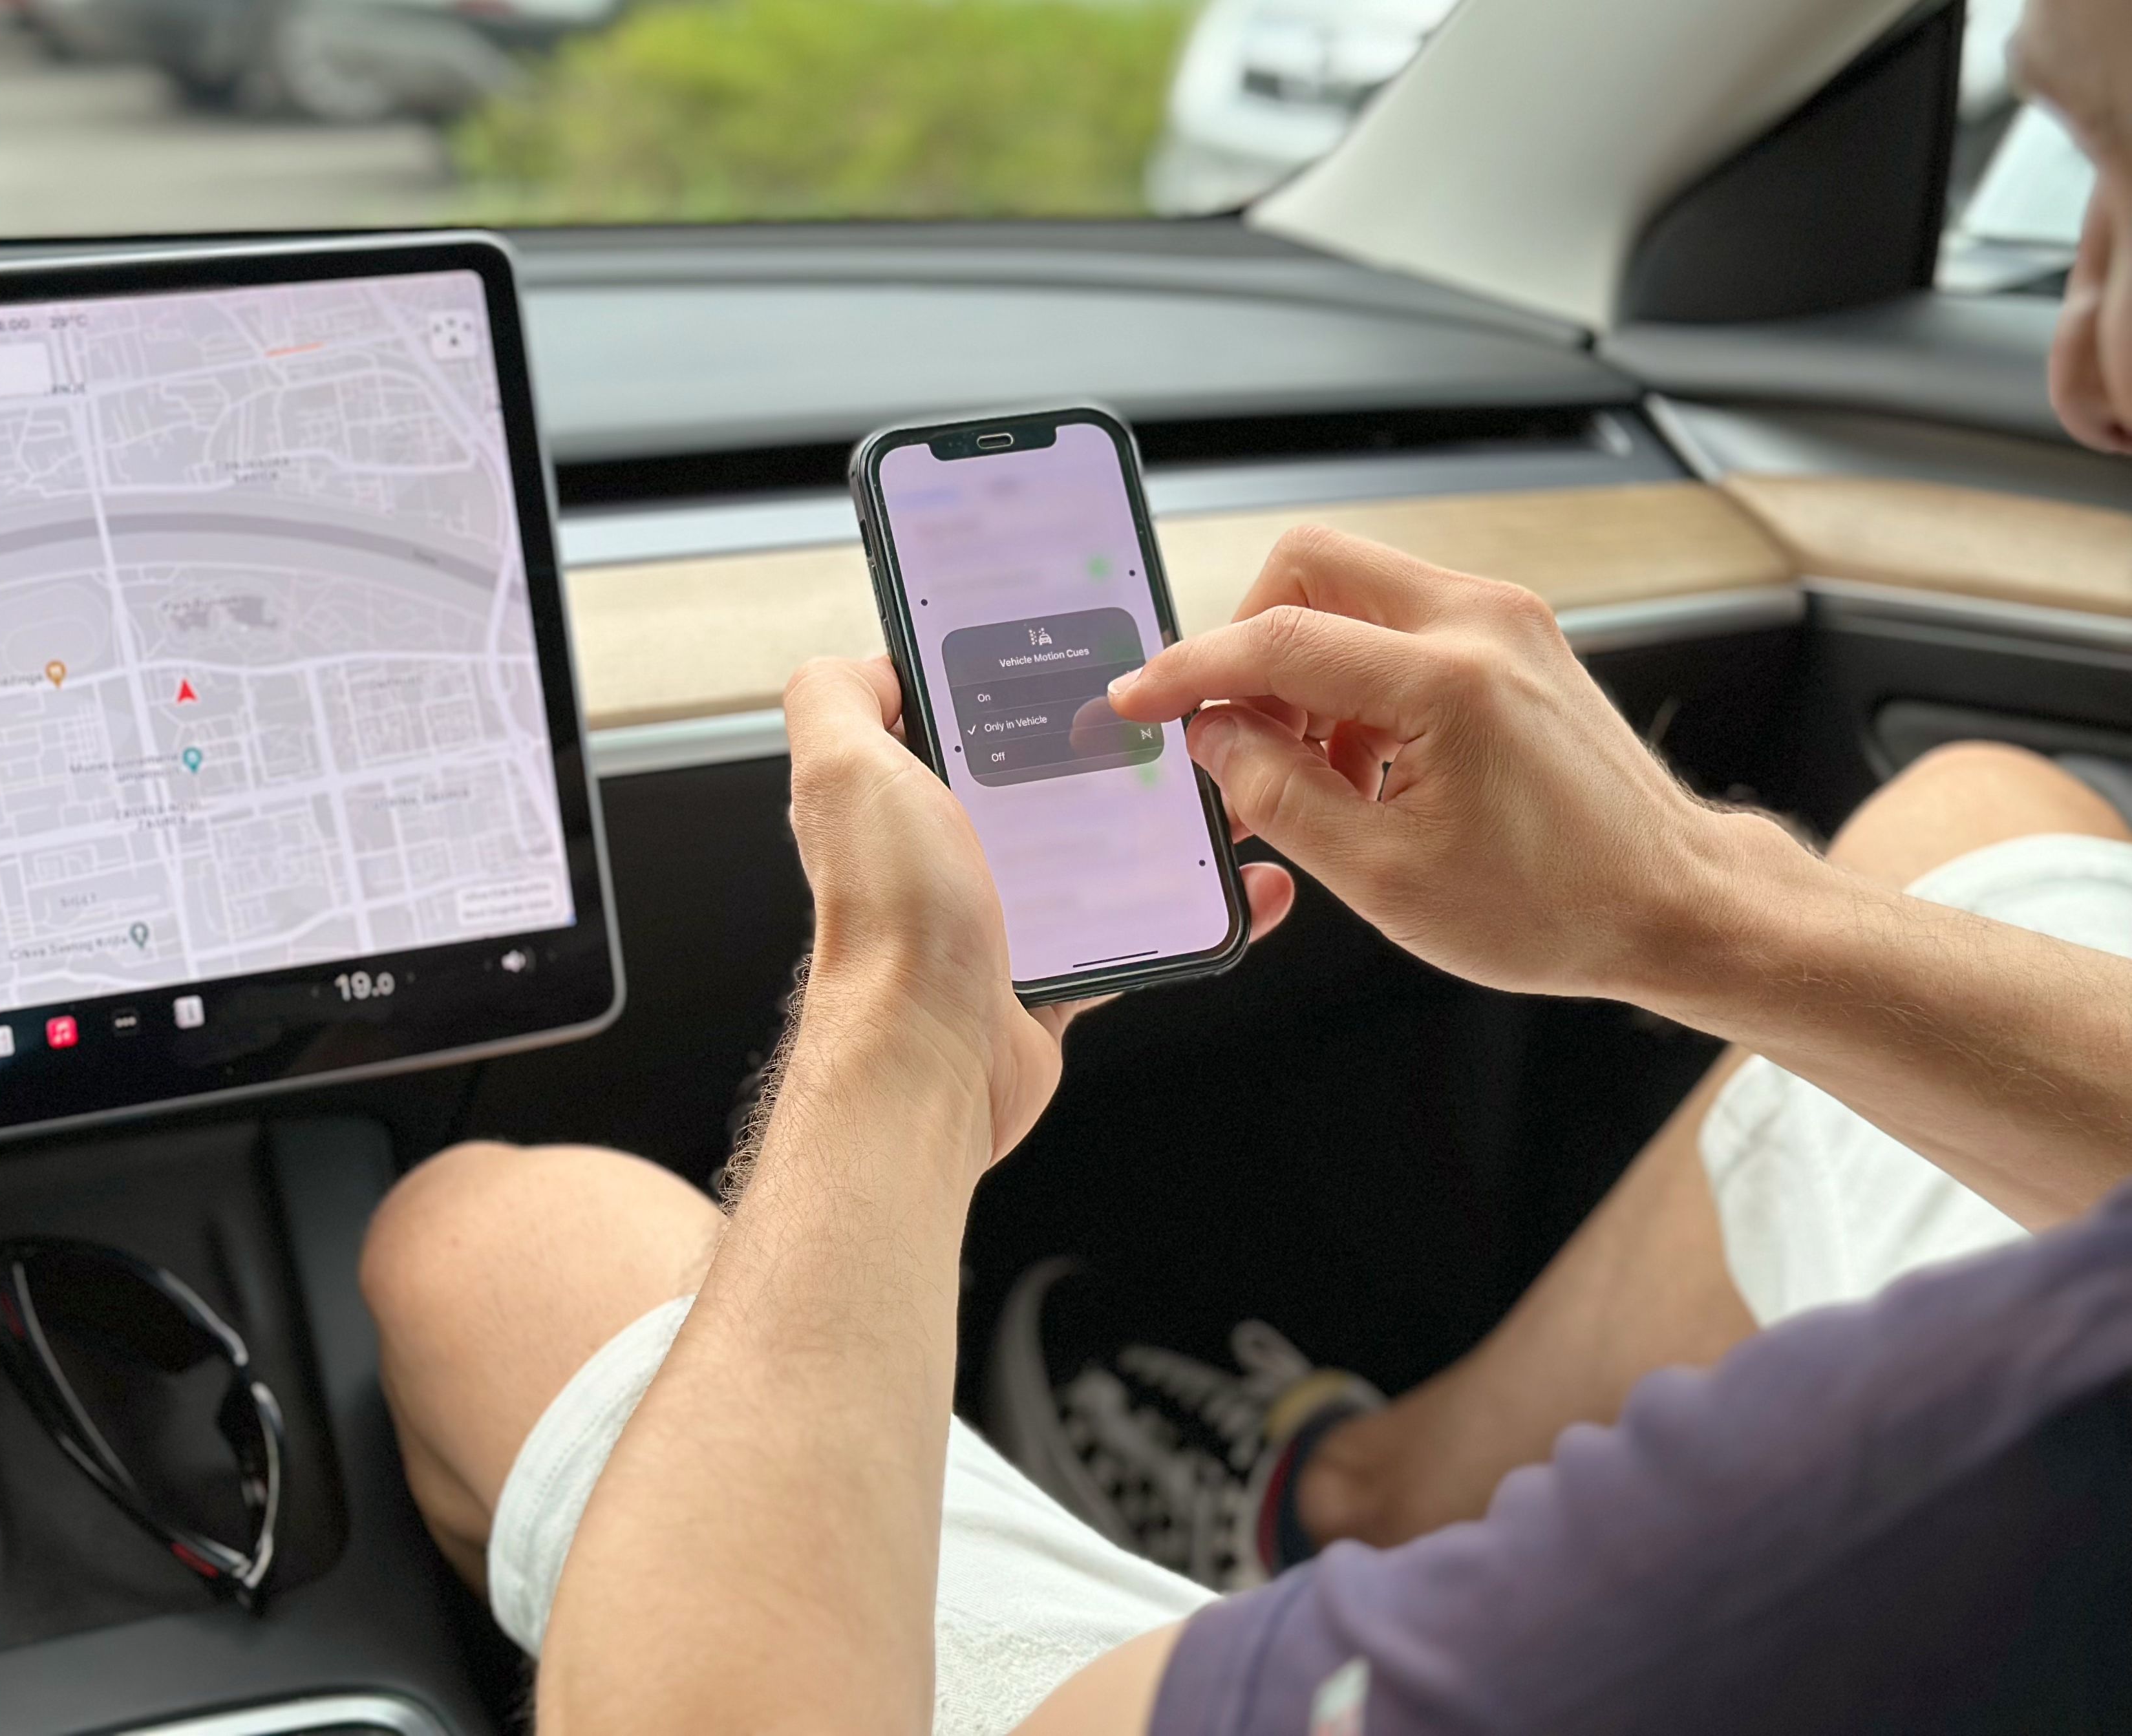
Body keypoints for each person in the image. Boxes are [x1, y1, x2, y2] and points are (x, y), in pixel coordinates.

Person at [359, 2, 2132, 1728]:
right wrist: (1683, 902)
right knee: (1975, 826)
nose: (2085, 370)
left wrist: (902, 1045)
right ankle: (1334, 1512)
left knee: (493, 1246)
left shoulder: (1956, 1495)